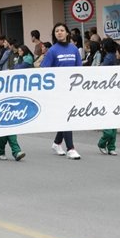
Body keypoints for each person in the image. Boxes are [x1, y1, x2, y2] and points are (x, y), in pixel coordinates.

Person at [40, 22, 82, 160]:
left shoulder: (74, 49)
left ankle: (57, 143)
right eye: (57, 31)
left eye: (62, 30)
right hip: (58, 91)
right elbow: (44, 71)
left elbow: (80, 69)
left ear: (67, 33)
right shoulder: (52, 50)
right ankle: (71, 149)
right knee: (66, 117)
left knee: (66, 116)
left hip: (72, 89)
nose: (59, 32)